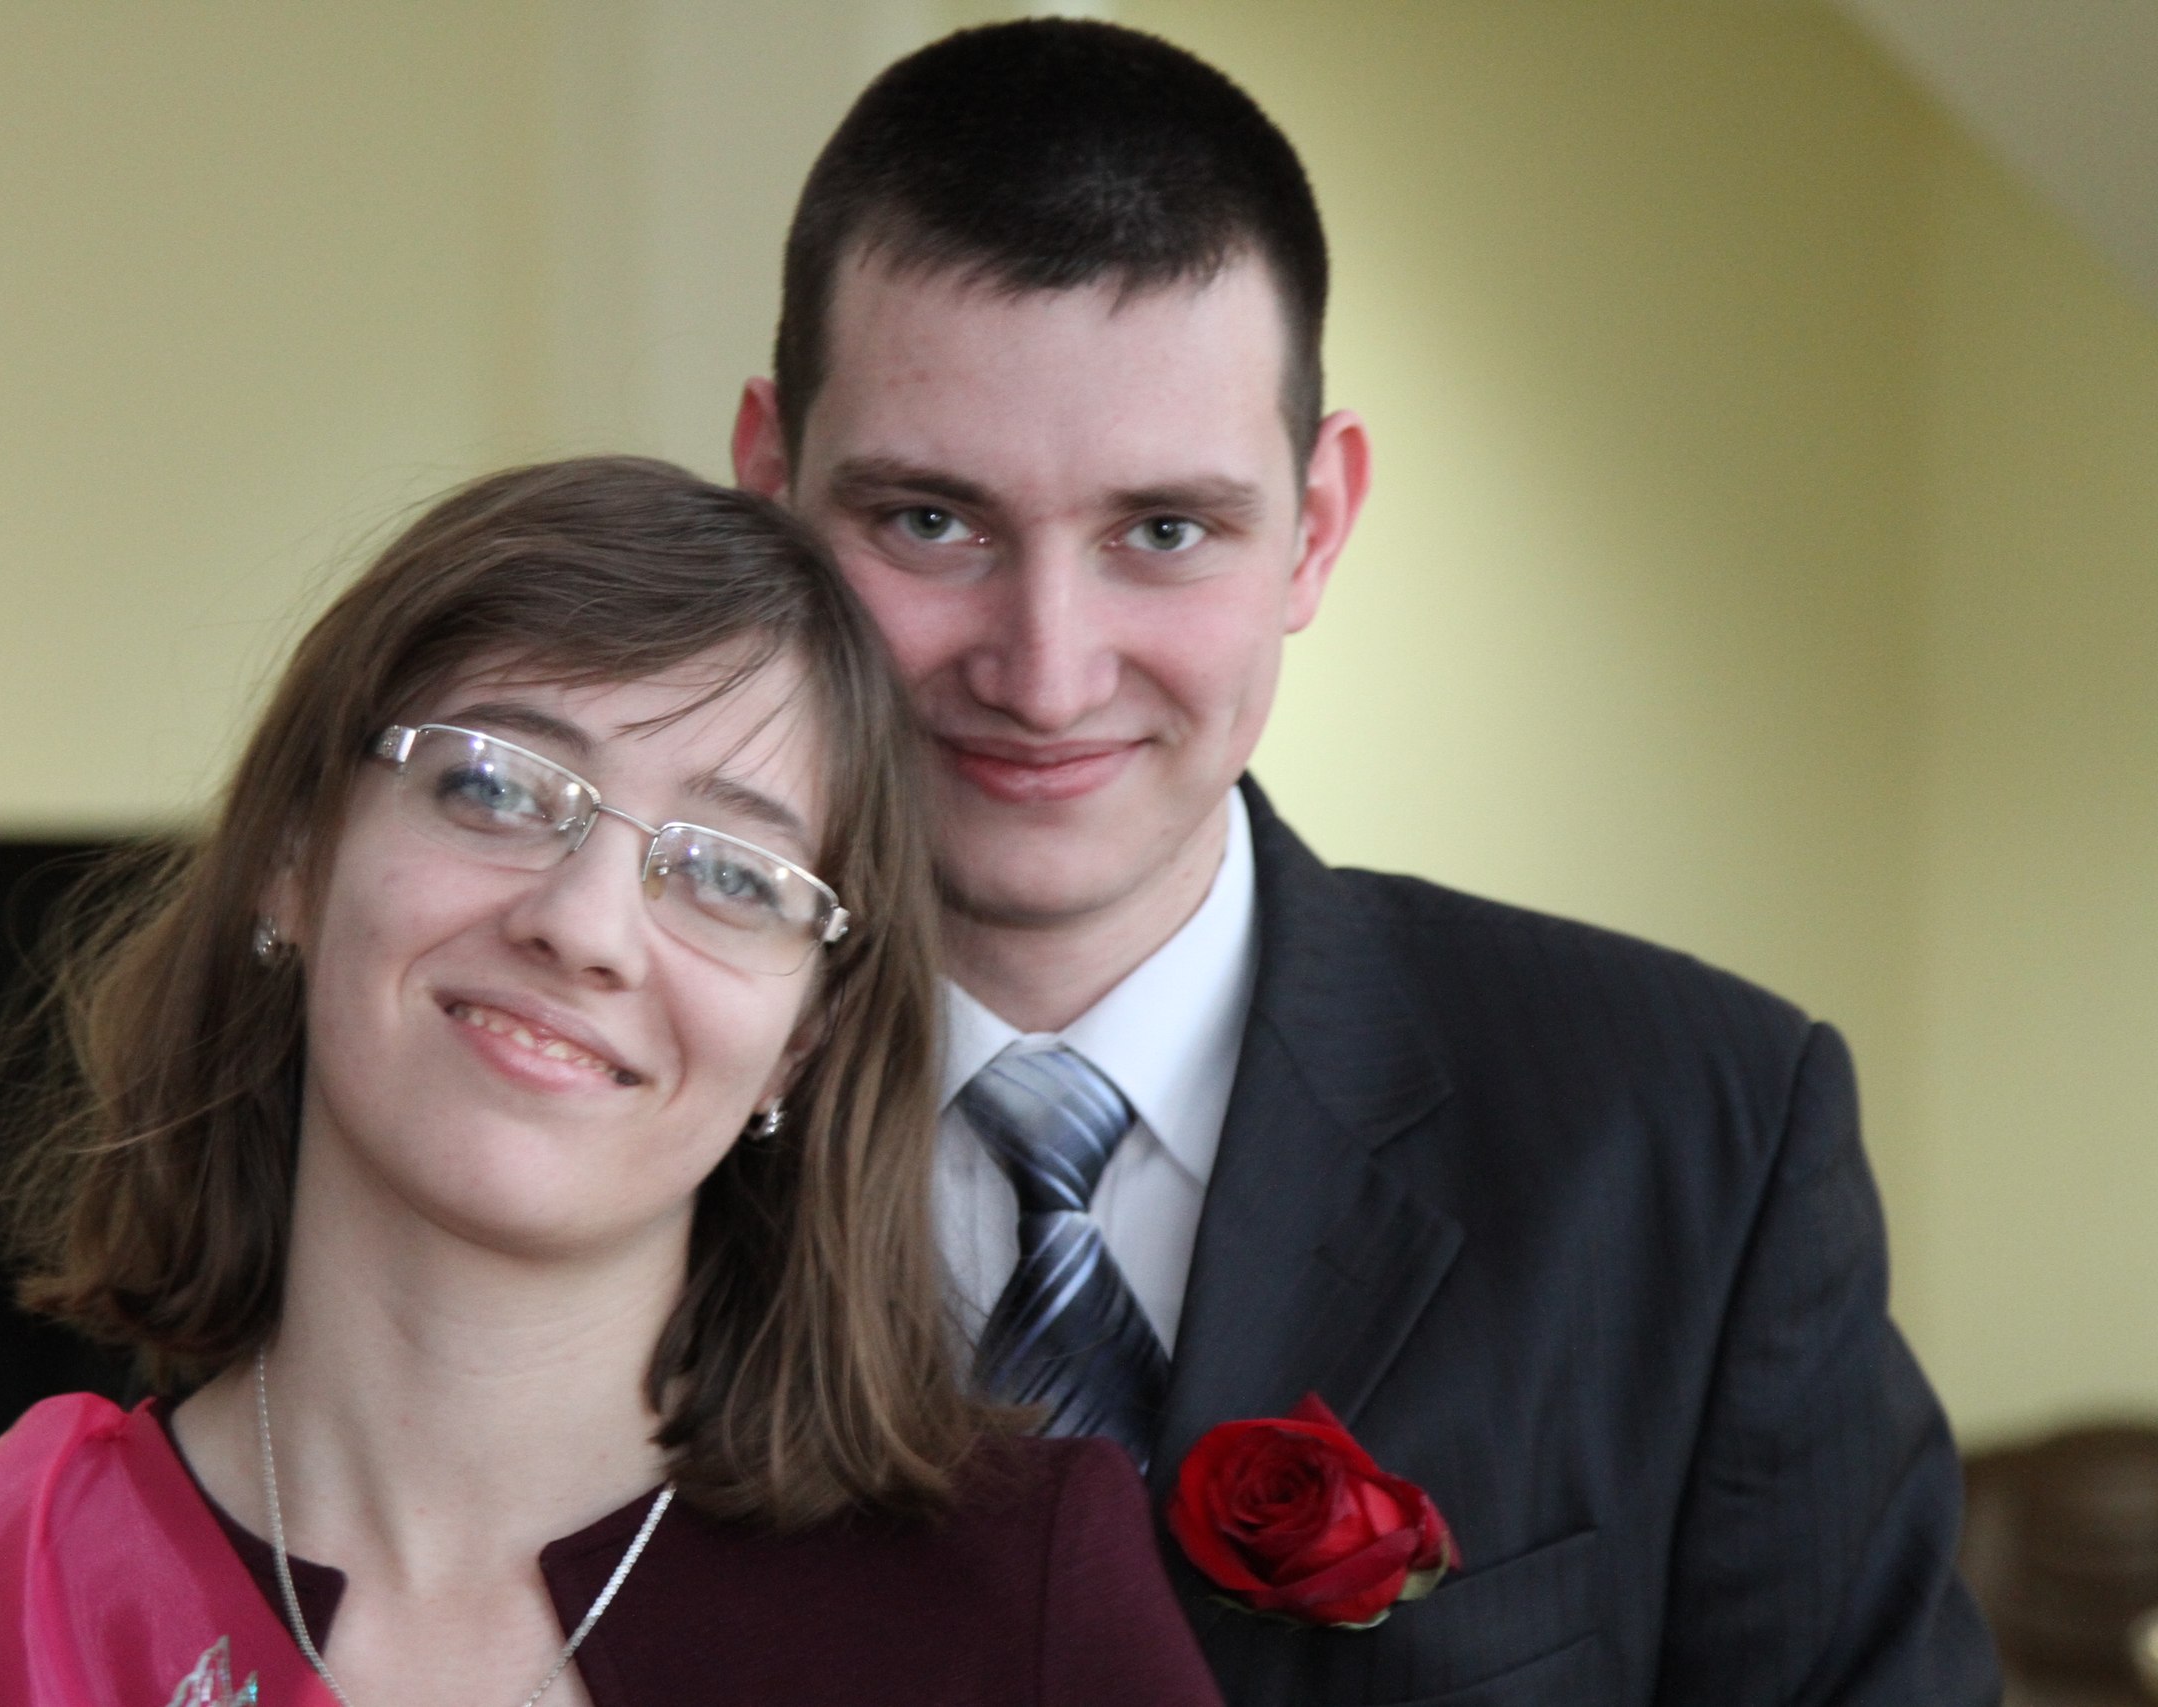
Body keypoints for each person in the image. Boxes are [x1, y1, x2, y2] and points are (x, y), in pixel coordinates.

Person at [730, 20, 2000, 1706]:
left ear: (1315, 528)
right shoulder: (596, 1100)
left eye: (1163, 531)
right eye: (929, 522)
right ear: (770, 491)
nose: (1046, 671)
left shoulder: (1701, 1135)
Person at [0, 458, 1222, 1707]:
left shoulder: (1018, 1600)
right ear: (295, 854)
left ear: (806, 1037)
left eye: (730, 873)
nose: (585, 927)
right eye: (495, 787)